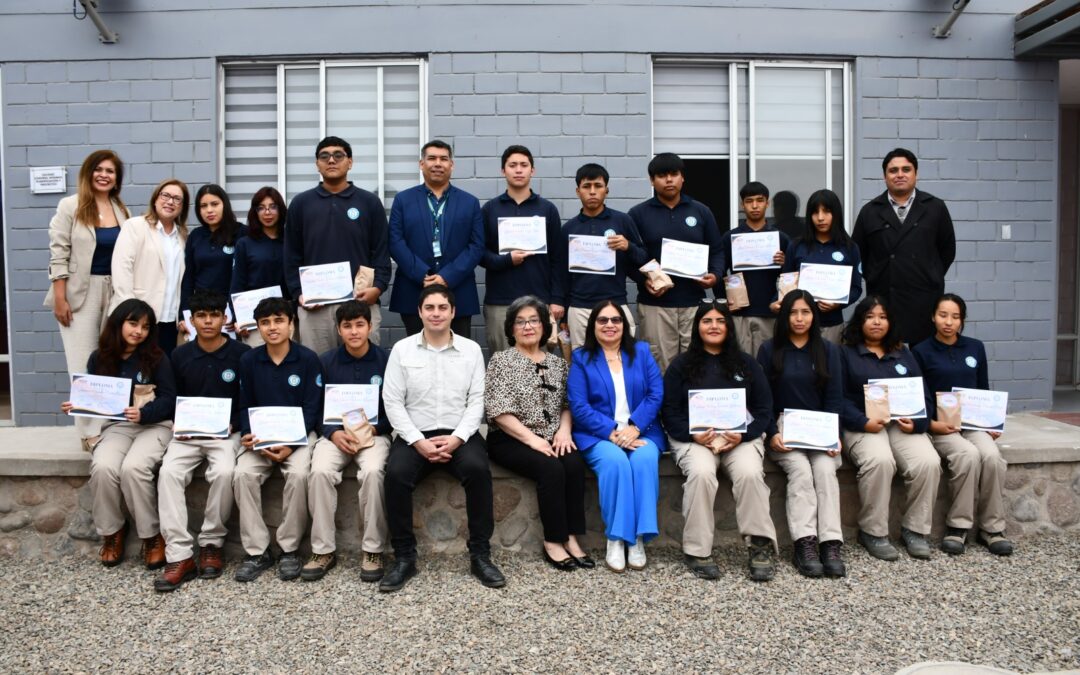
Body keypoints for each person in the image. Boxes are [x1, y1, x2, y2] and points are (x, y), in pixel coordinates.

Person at [380, 285, 504, 591]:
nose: (436, 313)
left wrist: (458, 438)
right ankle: (404, 558)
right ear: (420, 312)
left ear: (453, 312)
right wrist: (417, 440)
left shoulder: (471, 350)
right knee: (395, 474)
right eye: (430, 308)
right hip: (415, 435)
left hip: (459, 434)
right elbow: (392, 401)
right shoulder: (402, 350)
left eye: (442, 308)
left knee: (478, 470)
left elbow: (477, 400)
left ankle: (480, 555)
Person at [661, 301, 777, 582]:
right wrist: (692, 435)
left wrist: (743, 435)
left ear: (729, 326)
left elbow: (764, 410)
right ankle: (697, 551)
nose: (714, 326)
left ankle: (760, 546)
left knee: (750, 473)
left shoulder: (747, 364)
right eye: (707, 321)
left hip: (740, 438)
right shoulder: (681, 365)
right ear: (697, 326)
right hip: (694, 438)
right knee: (701, 473)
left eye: (720, 321)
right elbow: (669, 412)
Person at [61, 299, 176, 569]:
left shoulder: (157, 358)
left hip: (154, 426)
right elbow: (93, 395)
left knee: (134, 468)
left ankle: (151, 535)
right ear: (118, 323)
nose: (139, 331)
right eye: (133, 323)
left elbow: (171, 399)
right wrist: (77, 403)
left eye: (145, 327)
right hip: (118, 428)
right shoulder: (99, 358)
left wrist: (145, 413)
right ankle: (112, 532)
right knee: (103, 467)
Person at [485, 296, 591, 570]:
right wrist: (533, 440)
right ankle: (553, 540)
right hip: (510, 438)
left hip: (553, 435)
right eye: (520, 322)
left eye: (534, 321)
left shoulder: (558, 364)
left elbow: (567, 404)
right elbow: (499, 412)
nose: (528, 327)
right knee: (551, 468)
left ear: (544, 326)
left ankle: (571, 537)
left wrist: (564, 431)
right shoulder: (501, 361)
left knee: (574, 463)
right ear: (511, 329)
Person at [154, 289, 250, 591]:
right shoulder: (179, 355)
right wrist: (178, 423)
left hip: (225, 433)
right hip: (188, 434)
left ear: (224, 318)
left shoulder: (241, 354)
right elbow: (171, 397)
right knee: (168, 473)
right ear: (192, 320)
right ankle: (179, 555)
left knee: (224, 471)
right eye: (201, 316)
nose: (208, 321)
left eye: (214, 315)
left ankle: (211, 543)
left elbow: (248, 398)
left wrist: (235, 424)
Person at [839, 296, 941, 561]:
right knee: (880, 461)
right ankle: (873, 532)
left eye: (883, 317)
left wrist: (918, 422)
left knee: (928, 462)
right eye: (870, 317)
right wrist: (862, 421)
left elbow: (924, 395)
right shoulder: (845, 353)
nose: (877, 322)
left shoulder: (903, 352)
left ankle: (915, 530)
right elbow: (837, 398)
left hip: (901, 424)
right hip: (863, 425)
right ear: (860, 321)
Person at [567, 301, 664, 573]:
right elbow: (578, 405)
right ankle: (616, 538)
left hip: (642, 431)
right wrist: (611, 432)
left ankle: (637, 539)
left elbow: (656, 393)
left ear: (625, 325)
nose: (610, 325)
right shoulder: (582, 358)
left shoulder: (641, 352)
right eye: (603, 320)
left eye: (616, 320)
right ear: (593, 325)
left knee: (644, 460)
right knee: (616, 463)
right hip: (598, 435)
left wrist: (635, 426)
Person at [913, 294, 1013, 556]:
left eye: (955, 317)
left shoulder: (975, 348)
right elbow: (920, 396)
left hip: (973, 424)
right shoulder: (920, 351)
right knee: (967, 455)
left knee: (992, 457)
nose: (949, 322)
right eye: (943, 315)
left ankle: (992, 528)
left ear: (962, 321)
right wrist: (932, 424)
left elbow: (983, 388)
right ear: (933, 317)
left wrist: (992, 423)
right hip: (942, 427)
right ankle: (958, 527)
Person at [232, 297, 323, 582]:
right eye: (265, 322)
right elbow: (244, 404)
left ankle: (289, 549)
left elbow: (312, 408)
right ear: (258, 327)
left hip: (297, 438)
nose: (272, 327)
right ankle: (257, 551)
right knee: (243, 474)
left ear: (291, 324)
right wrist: (249, 435)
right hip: (260, 438)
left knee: (298, 474)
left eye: (279, 320)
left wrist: (291, 445)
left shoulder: (308, 359)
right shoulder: (248, 360)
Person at [46, 149, 131, 451]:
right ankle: (89, 433)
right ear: (88, 172)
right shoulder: (70, 205)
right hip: (79, 292)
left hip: (114, 291)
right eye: (99, 169)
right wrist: (60, 297)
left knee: (109, 359)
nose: (104, 175)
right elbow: (59, 252)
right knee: (82, 363)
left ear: (117, 179)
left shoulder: (121, 209)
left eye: (110, 171)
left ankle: (107, 423)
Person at [757, 290, 846, 578]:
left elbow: (835, 397)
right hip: (784, 429)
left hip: (820, 429)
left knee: (825, 470)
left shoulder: (828, 350)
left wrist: (835, 434)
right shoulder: (769, 350)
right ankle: (804, 543)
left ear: (813, 316)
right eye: (793, 312)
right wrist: (772, 433)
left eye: (805, 312)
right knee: (801, 471)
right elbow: (763, 399)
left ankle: (830, 543)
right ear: (784, 316)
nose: (799, 318)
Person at [303, 300, 392, 582]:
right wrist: (332, 432)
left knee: (374, 472)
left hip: (374, 434)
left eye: (359, 325)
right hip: (335, 435)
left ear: (370, 326)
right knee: (319, 471)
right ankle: (323, 550)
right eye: (347, 326)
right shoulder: (325, 362)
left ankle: (373, 550)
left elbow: (395, 407)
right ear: (339, 330)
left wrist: (375, 429)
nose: (354, 331)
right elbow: (315, 407)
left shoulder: (386, 361)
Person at [284, 136, 391, 353]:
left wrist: (378, 288)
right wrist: (299, 293)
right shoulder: (301, 204)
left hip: (360, 302)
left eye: (338, 155)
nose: (331, 160)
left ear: (350, 162)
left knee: (363, 365)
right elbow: (291, 254)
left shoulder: (369, 202)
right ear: (317, 164)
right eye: (324, 156)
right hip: (315, 306)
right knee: (317, 366)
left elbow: (381, 251)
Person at [629, 153, 723, 371]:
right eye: (662, 175)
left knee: (697, 366)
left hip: (694, 303)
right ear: (652, 180)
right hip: (655, 306)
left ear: (682, 178)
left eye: (674, 174)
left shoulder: (701, 211)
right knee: (659, 366)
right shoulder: (638, 214)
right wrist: (643, 282)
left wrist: (715, 275)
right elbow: (630, 257)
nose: (669, 180)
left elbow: (717, 250)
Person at [853, 148, 956, 346]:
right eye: (893, 170)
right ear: (885, 176)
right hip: (884, 300)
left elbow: (947, 250)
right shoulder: (870, 211)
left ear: (916, 174)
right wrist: (877, 275)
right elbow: (859, 254)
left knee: (922, 358)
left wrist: (929, 274)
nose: (899, 175)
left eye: (906, 169)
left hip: (924, 299)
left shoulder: (935, 208)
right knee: (885, 357)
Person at [389, 141, 484, 337]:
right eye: (432, 158)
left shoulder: (470, 202)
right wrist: (423, 275)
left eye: (443, 159)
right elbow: (395, 242)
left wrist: (447, 277)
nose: (438, 163)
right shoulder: (403, 200)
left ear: (452, 164)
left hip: (458, 291)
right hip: (413, 289)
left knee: (458, 351)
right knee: (417, 351)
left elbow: (476, 246)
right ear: (421, 164)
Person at [480, 145, 566, 354]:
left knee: (539, 364)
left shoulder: (547, 209)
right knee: (503, 362)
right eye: (512, 165)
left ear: (532, 170)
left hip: (539, 301)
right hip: (500, 302)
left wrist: (557, 299)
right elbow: (479, 254)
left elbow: (558, 258)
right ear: (503, 170)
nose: (518, 170)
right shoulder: (490, 209)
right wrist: (507, 260)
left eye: (523, 165)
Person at [560, 164, 648, 347]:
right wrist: (565, 312)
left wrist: (628, 246)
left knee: (621, 358)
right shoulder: (569, 228)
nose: (592, 191)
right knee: (582, 359)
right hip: (579, 308)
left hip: (615, 303)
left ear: (606, 190)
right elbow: (562, 275)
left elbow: (643, 259)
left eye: (598, 186)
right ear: (578, 191)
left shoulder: (623, 221)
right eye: (586, 186)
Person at [111, 178, 190, 353]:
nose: (170, 202)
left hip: (170, 322)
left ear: (182, 207)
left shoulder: (182, 236)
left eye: (177, 199)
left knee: (164, 367)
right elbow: (122, 269)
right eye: (165, 195)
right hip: (138, 320)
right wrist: (130, 313)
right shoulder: (135, 226)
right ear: (155, 199)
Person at [779, 189, 863, 343]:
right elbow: (786, 285)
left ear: (836, 214)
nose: (820, 218)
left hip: (833, 325)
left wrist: (838, 303)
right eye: (815, 212)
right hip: (799, 325)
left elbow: (856, 288)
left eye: (826, 211)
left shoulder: (850, 247)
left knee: (831, 359)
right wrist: (777, 302)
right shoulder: (796, 246)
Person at [720, 182, 789, 358]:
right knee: (738, 361)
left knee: (768, 362)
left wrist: (784, 263)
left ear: (768, 203)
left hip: (770, 312)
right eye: (749, 201)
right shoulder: (730, 238)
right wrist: (725, 300)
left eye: (760, 200)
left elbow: (791, 276)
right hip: (739, 313)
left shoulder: (780, 238)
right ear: (742, 205)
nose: (755, 206)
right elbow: (718, 270)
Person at [179, 184, 246, 337]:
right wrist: (184, 314)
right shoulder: (195, 236)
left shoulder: (241, 233)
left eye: (214, 204)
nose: (209, 210)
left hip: (231, 312)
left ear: (225, 205)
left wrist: (238, 313)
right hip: (201, 310)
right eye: (203, 206)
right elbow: (188, 278)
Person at [231, 186, 287, 347]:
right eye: (261, 208)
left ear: (281, 210)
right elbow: (237, 283)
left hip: (285, 316)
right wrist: (237, 317)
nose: (267, 212)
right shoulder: (245, 244)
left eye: (272, 207)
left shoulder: (291, 241)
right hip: (254, 319)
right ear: (255, 212)